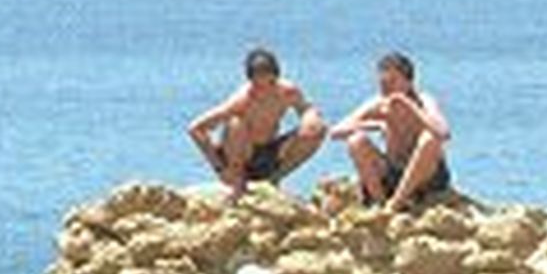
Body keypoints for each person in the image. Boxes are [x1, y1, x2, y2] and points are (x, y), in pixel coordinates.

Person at [186, 48, 325, 197]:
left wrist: (310, 118)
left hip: (269, 154)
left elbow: (307, 109)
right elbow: (195, 128)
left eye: (270, 84)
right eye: (258, 86)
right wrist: (219, 168)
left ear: (276, 78)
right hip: (242, 155)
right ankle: (237, 182)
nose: (264, 92)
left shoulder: (287, 92)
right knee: (235, 123)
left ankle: (275, 178)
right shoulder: (241, 100)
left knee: (318, 129)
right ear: (251, 81)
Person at [329, 51, 453, 211]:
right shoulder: (379, 104)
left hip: (426, 177)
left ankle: (396, 204)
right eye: (383, 82)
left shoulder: (424, 101)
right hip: (393, 172)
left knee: (430, 140)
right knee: (356, 141)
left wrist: (409, 106)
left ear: (408, 83)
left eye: (392, 81)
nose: (386, 87)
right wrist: (374, 124)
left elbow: (443, 133)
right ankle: (379, 203)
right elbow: (336, 132)